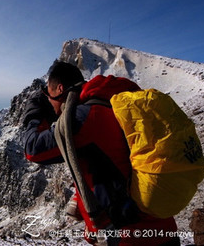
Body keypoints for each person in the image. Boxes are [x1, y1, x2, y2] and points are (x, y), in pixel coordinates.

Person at [23, 60, 180, 245]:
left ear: (59, 89)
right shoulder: (111, 105)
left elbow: (33, 149)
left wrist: (34, 112)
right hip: (160, 227)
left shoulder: (84, 118)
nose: (48, 101)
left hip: (130, 236)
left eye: (48, 94)